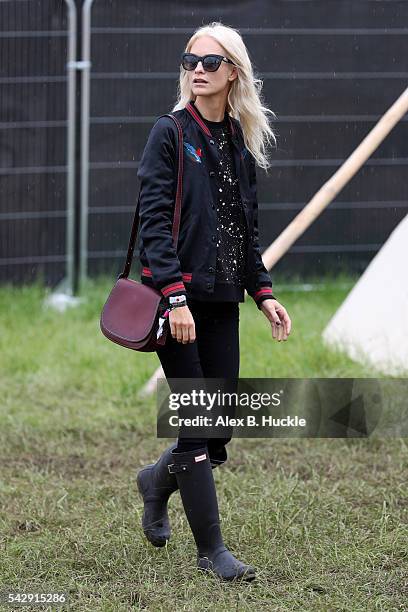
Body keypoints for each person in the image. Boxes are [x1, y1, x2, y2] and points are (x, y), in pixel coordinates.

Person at [136, 21, 292, 582]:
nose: (197, 70)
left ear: (234, 74)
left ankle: (155, 482)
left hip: (223, 299)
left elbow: (244, 231)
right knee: (199, 422)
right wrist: (173, 297)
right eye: (190, 61)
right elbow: (155, 219)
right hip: (175, 302)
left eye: (210, 62)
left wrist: (264, 291)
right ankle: (212, 552)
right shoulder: (170, 132)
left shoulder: (238, 145)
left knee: (217, 426)